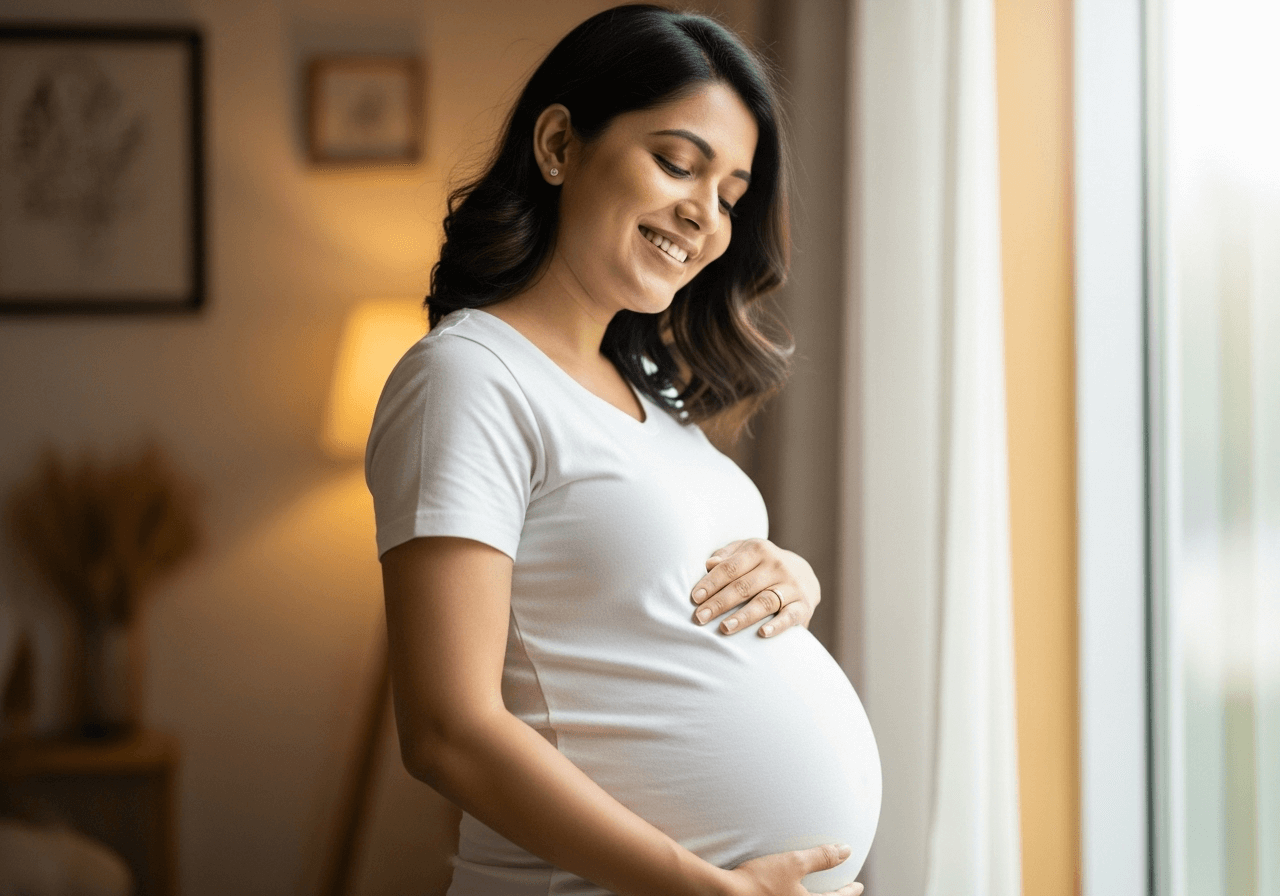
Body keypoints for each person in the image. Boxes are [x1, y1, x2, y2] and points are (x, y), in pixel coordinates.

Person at [365, 6, 881, 895]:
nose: (705, 217)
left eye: (730, 195)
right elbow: (447, 730)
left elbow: (642, 599)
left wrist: (793, 581)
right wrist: (698, 884)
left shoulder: (651, 394)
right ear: (560, 144)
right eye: (678, 164)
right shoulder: (469, 378)